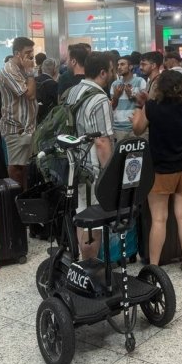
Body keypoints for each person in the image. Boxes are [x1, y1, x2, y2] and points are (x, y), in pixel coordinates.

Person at [132, 70, 182, 279]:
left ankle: (154, 268)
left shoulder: (152, 107)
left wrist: (140, 107)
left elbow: (138, 129)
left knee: (159, 219)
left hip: (160, 169)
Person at [64, 51, 115, 259]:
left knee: (82, 214)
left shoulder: (73, 91)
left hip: (75, 163)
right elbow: (102, 141)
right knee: (95, 218)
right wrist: (109, 174)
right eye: (111, 70)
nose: (112, 74)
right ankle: (91, 266)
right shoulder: (100, 98)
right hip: (93, 167)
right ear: (103, 72)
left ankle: (83, 264)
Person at [0, 36, 38, 189]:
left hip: (28, 127)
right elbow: (30, 94)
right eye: (28, 52)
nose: (31, 56)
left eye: (32, 52)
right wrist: (30, 73)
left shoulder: (23, 69)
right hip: (16, 129)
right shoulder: (9, 71)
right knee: (16, 167)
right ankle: (14, 198)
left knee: (26, 167)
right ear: (17, 53)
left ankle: (24, 197)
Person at [111, 55, 147, 142]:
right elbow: (112, 106)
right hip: (118, 127)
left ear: (130, 67)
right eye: (118, 65)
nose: (119, 67)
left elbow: (145, 103)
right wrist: (116, 96)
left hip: (135, 125)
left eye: (122, 64)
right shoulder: (115, 84)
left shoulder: (140, 81)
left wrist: (132, 95)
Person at [36, 58, 59, 123]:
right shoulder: (53, 84)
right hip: (46, 119)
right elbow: (57, 102)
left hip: (34, 117)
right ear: (54, 70)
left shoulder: (34, 80)